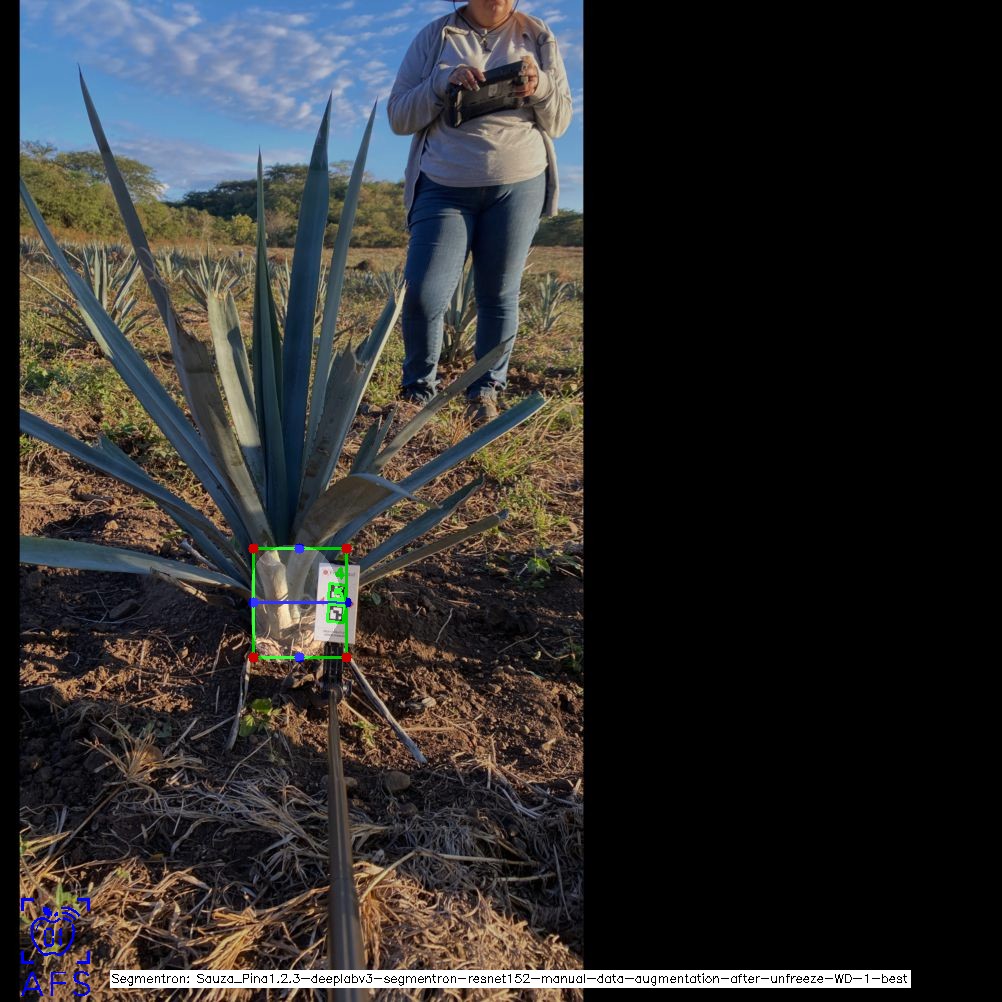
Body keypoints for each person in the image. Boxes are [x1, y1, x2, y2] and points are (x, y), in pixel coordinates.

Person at [387, 0, 573, 423]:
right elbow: (398, 116)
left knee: (498, 293)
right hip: (443, 183)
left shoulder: (538, 35)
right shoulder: (435, 36)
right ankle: (417, 392)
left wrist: (539, 85)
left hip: (519, 182)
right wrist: (441, 82)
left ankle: (486, 390)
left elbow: (560, 120)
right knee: (423, 292)